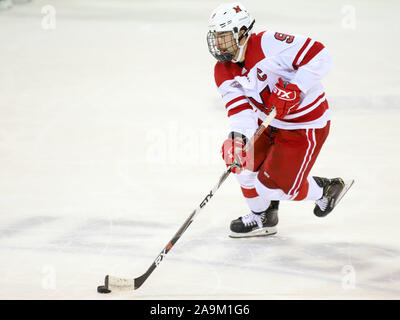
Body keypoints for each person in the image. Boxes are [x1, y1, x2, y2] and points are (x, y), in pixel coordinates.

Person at [207, 2, 354, 238]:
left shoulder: (270, 43)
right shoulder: (222, 70)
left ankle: (325, 190)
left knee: (269, 187)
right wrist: (236, 140)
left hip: (304, 126)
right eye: (215, 36)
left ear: (242, 33)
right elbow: (241, 112)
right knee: (243, 163)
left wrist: (295, 88)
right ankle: (262, 217)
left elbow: (320, 55)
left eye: (223, 36)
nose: (217, 43)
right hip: (268, 122)